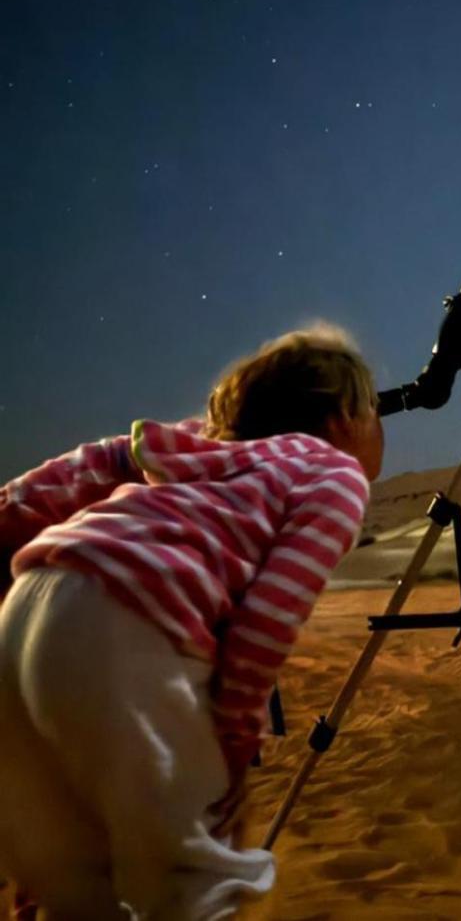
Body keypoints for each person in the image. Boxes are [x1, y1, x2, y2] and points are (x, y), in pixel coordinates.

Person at [0, 322, 384, 920]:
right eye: (376, 414)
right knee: (192, 881)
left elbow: (89, 465)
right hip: (129, 625)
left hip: (25, 609)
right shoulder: (333, 473)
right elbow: (267, 623)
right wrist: (232, 744)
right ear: (342, 420)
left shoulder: (191, 447)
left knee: (64, 878)